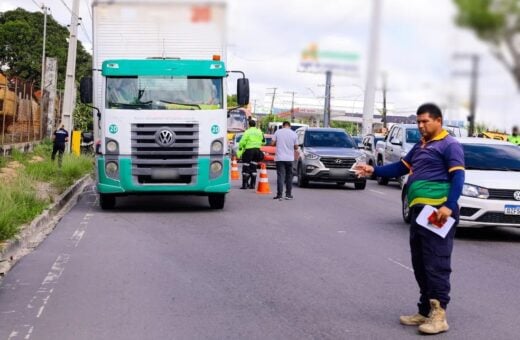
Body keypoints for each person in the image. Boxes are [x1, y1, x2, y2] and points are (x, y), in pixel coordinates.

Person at [355, 103, 465, 335]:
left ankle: (439, 314)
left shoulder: (449, 145)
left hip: (437, 211)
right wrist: (373, 171)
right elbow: (400, 167)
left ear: (438, 120)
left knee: (436, 261)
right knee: (420, 261)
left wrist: (449, 204)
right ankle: (424, 310)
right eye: (418, 122)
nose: (421, 126)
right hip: (419, 211)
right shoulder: (421, 145)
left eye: (425, 121)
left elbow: (458, 176)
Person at [271, 121, 298, 200]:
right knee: (289, 176)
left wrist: (278, 143)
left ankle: (279, 195)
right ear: (289, 126)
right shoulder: (294, 134)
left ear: (283, 126)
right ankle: (288, 194)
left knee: (280, 176)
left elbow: (272, 143)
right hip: (289, 159)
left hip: (279, 158)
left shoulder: (278, 132)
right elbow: (296, 147)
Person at [237, 119, 264, 189]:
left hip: (249, 151)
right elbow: (264, 141)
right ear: (255, 124)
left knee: (246, 167)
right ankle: (252, 185)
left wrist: (240, 148)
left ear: (249, 125)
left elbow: (242, 142)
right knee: (254, 167)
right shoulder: (259, 131)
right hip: (257, 151)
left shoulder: (247, 132)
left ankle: (245, 185)